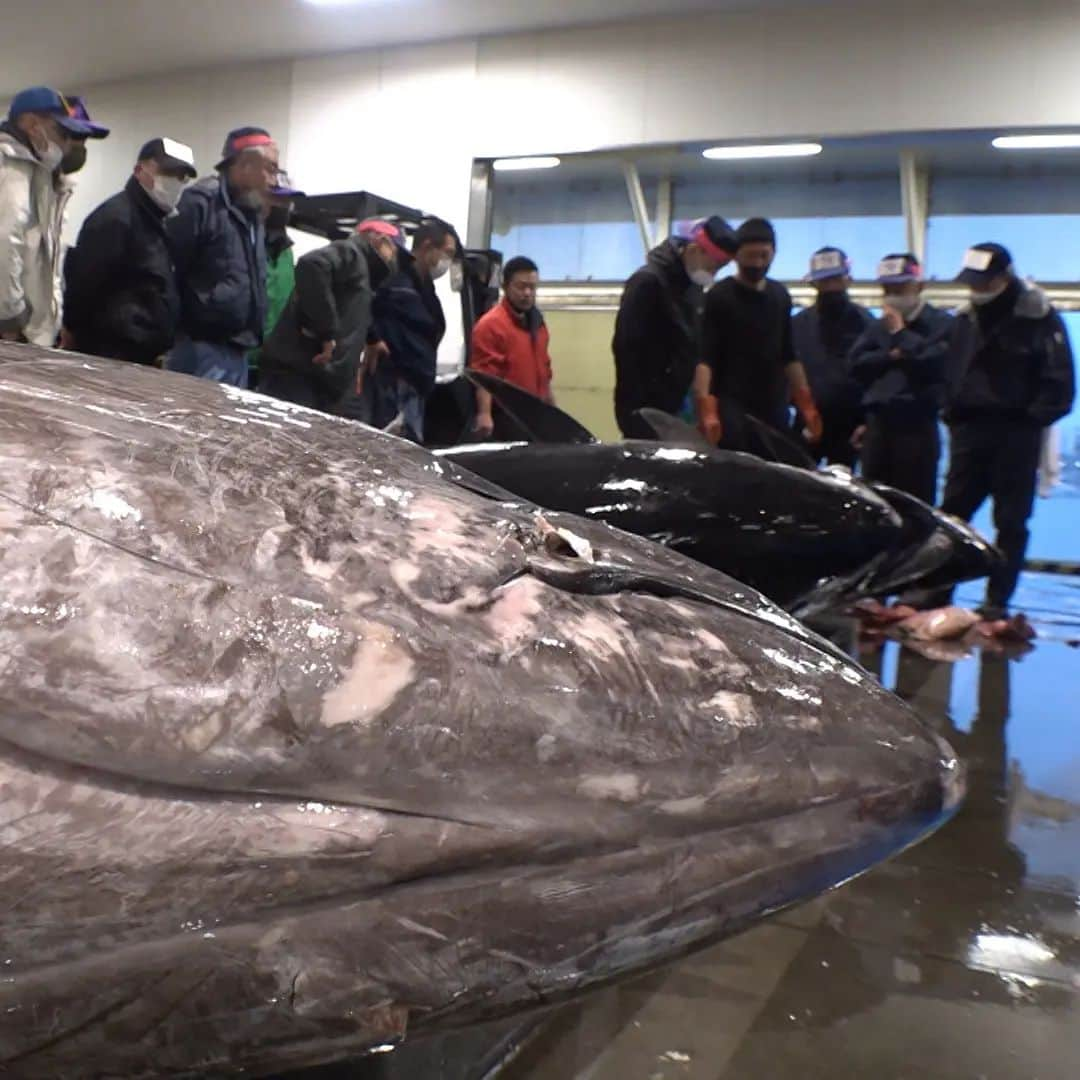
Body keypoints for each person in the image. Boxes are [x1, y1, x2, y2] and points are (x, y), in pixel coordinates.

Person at [941, 243, 1075, 617]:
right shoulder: (966, 318)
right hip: (969, 431)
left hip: (1016, 435)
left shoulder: (1039, 317)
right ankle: (938, 592)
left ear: (1003, 277)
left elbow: (1060, 382)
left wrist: (1031, 419)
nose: (976, 288)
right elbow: (950, 369)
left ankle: (997, 601)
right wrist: (951, 411)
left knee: (1011, 521)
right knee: (952, 516)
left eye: (983, 280)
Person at [62, 137, 196, 365]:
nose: (175, 181)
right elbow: (84, 285)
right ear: (139, 170)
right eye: (167, 171)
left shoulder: (157, 222)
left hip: (141, 356)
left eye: (182, 177)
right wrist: (74, 332)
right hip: (110, 354)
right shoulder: (116, 218)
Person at [167, 126, 279, 387]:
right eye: (270, 169)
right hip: (199, 349)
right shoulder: (201, 204)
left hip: (237, 351)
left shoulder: (252, 215)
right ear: (244, 165)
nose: (274, 181)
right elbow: (170, 272)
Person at [695, 218, 822, 447]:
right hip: (731, 407)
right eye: (750, 256)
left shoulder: (780, 295)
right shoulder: (719, 295)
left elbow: (789, 354)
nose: (757, 263)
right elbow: (706, 357)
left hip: (773, 405)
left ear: (774, 253)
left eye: (764, 256)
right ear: (736, 256)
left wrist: (806, 404)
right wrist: (706, 409)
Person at [0, 87, 109, 347]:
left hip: (30, 331)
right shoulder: (10, 166)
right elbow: (4, 241)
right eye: (62, 133)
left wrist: (51, 319)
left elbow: (47, 259)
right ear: (30, 124)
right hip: (13, 332)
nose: (66, 144)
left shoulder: (42, 177)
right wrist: (10, 317)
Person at [612, 216, 736, 438]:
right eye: (714, 266)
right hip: (647, 412)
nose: (714, 274)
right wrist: (639, 418)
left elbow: (693, 348)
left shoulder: (693, 289)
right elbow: (626, 350)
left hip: (677, 408)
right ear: (696, 250)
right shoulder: (647, 283)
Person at [259, 218, 400, 414]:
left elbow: (349, 311)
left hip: (320, 383)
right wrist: (326, 333)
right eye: (395, 250)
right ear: (380, 240)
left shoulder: (365, 275)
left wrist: (372, 338)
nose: (395, 258)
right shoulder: (351, 252)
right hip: (299, 376)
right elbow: (312, 265)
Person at [849, 253, 952, 503]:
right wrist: (892, 355)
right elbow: (856, 364)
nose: (893, 295)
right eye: (887, 289)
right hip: (879, 427)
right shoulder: (876, 326)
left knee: (915, 505)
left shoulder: (942, 324)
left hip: (918, 426)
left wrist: (900, 334)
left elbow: (934, 363)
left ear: (919, 285)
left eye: (899, 287)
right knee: (875, 503)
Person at [358, 216, 458, 441]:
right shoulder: (393, 279)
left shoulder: (425, 290)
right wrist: (372, 339)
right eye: (447, 253)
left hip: (415, 388)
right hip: (392, 387)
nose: (447, 261)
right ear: (427, 246)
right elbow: (364, 306)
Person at [791, 247, 872, 466]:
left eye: (835, 280)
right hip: (806, 423)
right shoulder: (797, 325)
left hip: (851, 429)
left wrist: (867, 422)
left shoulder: (867, 324)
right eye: (824, 282)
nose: (830, 287)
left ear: (848, 280)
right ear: (813, 283)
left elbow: (875, 378)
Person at [469, 255, 553, 435]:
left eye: (532, 287)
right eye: (521, 286)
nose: (528, 293)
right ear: (505, 286)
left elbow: (545, 369)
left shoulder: (538, 324)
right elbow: (484, 375)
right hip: (506, 417)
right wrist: (485, 414)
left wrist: (552, 408)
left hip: (535, 413)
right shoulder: (491, 325)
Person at [249, 172, 303, 389]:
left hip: (274, 364)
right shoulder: (247, 241)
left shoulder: (287, 252)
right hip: (242, 358)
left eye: (287, 201)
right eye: (277, 199)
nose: (283, 206)